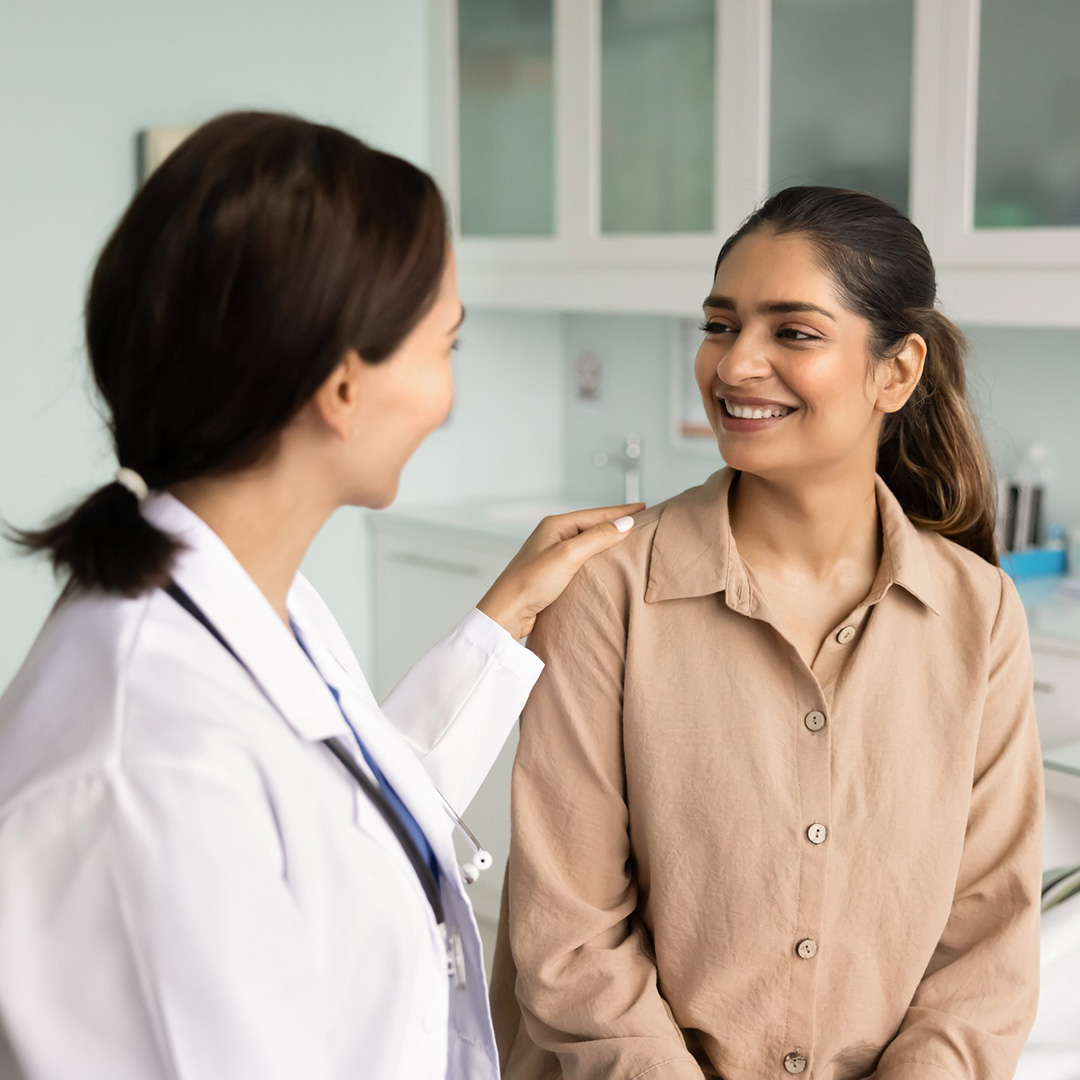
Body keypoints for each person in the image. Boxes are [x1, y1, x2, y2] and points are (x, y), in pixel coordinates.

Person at [0, 111, 642, 1080]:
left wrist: (503, 621)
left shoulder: (237, 596)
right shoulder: (150, 770)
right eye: (446, 348)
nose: (448, 394)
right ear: (342, 389)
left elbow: (337, 823)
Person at [491, 186, 1044, 1080]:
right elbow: (570, 936)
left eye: (793, 332)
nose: (735, 363)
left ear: (896, 372)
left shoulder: (979, 614)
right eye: (721, 325)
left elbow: (987, 940)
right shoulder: (608, 591)